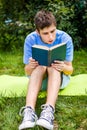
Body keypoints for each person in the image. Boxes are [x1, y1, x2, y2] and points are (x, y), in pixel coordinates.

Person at [19, 10, 73, 130]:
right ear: (37, 32)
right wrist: (31, 65)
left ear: (56, 27)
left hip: (59, 79)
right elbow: (27, 71)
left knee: (53, 67)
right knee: (40, 66)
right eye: (45, 33)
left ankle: (48, 112)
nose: (51, 37)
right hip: (39, 81)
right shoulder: (30, 39)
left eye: (53, 31)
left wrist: (63, 67)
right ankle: (29, 112)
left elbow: (70, 70)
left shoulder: (65, 38)